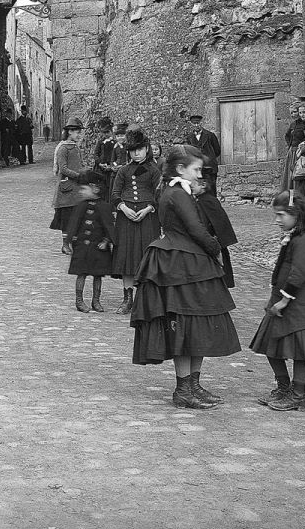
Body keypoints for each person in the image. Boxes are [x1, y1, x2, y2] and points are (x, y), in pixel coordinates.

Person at [130, 143, 241, 409]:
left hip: (187, 262)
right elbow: (196, 229)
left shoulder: (178, 190)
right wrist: (215, 249)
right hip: (182, 265)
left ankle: (193, 385)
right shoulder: (177, 193)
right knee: (184, 326)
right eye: (196, 170)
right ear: (180, 169)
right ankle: (183, 389)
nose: (200, 175)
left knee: (196, 326)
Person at [249, 191, 305, 411]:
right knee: (270, 344)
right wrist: (273, 299)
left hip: (303, 305)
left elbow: (298, 273)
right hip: (283, 302)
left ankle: (298, 395)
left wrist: (284, 301)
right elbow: (281, 272)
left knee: (300, 351)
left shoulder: (303, 240)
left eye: (281, 215)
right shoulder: (292, 238)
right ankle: (284, 387)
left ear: (296, 214)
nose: (277, 220)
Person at [110, 129, 162, 314]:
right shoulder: (123, 171)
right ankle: (127, 299)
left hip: (148, 220)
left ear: (146, 149)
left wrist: (148, 208)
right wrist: (123, 208)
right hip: (126, 220)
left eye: (140, 149)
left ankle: (143, 299)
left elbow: (160, 195)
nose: (136, 153)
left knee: (145, 257)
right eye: (133, 150)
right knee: (127, 257)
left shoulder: (154, 171)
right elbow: (115, 194)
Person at [65, 177, 114, 312]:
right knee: (81, 273)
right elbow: (73, 224)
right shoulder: (80, 206)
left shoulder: (105, 206)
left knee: (98, 274)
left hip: (99, 248)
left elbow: (109, 226)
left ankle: (96, 301)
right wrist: (69, 241)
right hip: (82, 247)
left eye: (84, 189)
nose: (81, 192)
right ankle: (79, 301)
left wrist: (106, 241)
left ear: (95, 190)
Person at [49, 118, 88, 253]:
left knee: (77, 216)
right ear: (70, 132)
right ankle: (65, 244)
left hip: (77, 188)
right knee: (67, 218)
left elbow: (80, 164)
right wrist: (78, 175)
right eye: (77, 132)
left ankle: (75, 242)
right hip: (66, 189)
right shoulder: (63, 148)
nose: (79, 135)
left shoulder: (76, 147)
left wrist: (85, 172)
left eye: (79, 132)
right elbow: (63, 168)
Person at [192, 175, 238, 288]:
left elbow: (219, 224)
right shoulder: (197, 200)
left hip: (213, 244)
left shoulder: (210, 201)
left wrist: (215, 242)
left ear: (203, 185)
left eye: (193, 184)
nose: (190, 186)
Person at [186, 113, 221, 196]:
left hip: (209, 168)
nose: (196, 125)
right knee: (199, 189)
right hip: (197, 168)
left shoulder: (210, 135)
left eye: (198, 123)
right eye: (194, 123)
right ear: (191, 125)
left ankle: (212, 206)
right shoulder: (189, 137)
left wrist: (209, 158)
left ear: (201, 123)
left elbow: (217, 150)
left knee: (211, 189)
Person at [291, 141, 305, 207]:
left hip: (301, 173)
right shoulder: (302, 146)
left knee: (301, 191)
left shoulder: (302, 147)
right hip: (301, 173)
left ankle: (299, 206)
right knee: (300, 191)